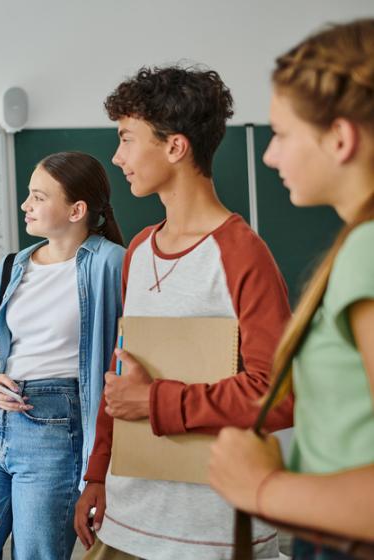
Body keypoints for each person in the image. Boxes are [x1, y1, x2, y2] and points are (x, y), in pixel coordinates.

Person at [73, 65, 294, 560]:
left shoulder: (242, 253)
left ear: (175, 147)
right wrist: (97, 475)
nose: (117, 156)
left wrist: (156, 402)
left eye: (128, 139)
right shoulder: (140, 251)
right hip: (127, 521)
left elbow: (278, 395)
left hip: (212, 532)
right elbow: (121, 375)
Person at [209, 18, 374, 558]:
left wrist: (259, 487)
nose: (268, 155)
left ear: (340, 138)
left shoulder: (366, 252)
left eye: (280, 134)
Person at [0, 152, 125, 560]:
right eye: (28, 195)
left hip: (57, 429)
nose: (26, 205)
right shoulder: (13, 266)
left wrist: (103, 465)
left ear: (77, 210)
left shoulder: (111, 264)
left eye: (38, 197)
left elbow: (126, 355)